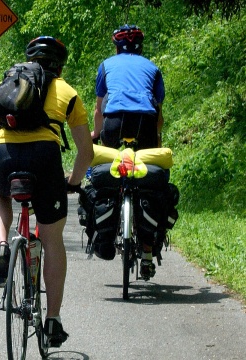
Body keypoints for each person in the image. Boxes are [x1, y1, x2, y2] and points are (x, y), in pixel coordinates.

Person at [0, 36, 93, 347]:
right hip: (45, 158)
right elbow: (86, 151)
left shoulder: (5, 85)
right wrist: (73, 181)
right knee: (51, 236)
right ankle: (53, 319)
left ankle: (2, 245)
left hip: (2, 156)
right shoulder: (67, 92)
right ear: (60, 65)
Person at [91, 24, 166, 279]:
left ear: (116, 46)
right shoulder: (152, 68)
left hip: (114, 119)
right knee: (150, 181)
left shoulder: (106, 65)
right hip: (145, 120)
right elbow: (158, 113)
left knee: (103, 170)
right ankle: (147, 251)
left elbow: (99, 108)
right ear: (141, 47)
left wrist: (96, 135)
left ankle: (103, 233)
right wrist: (155, 142)